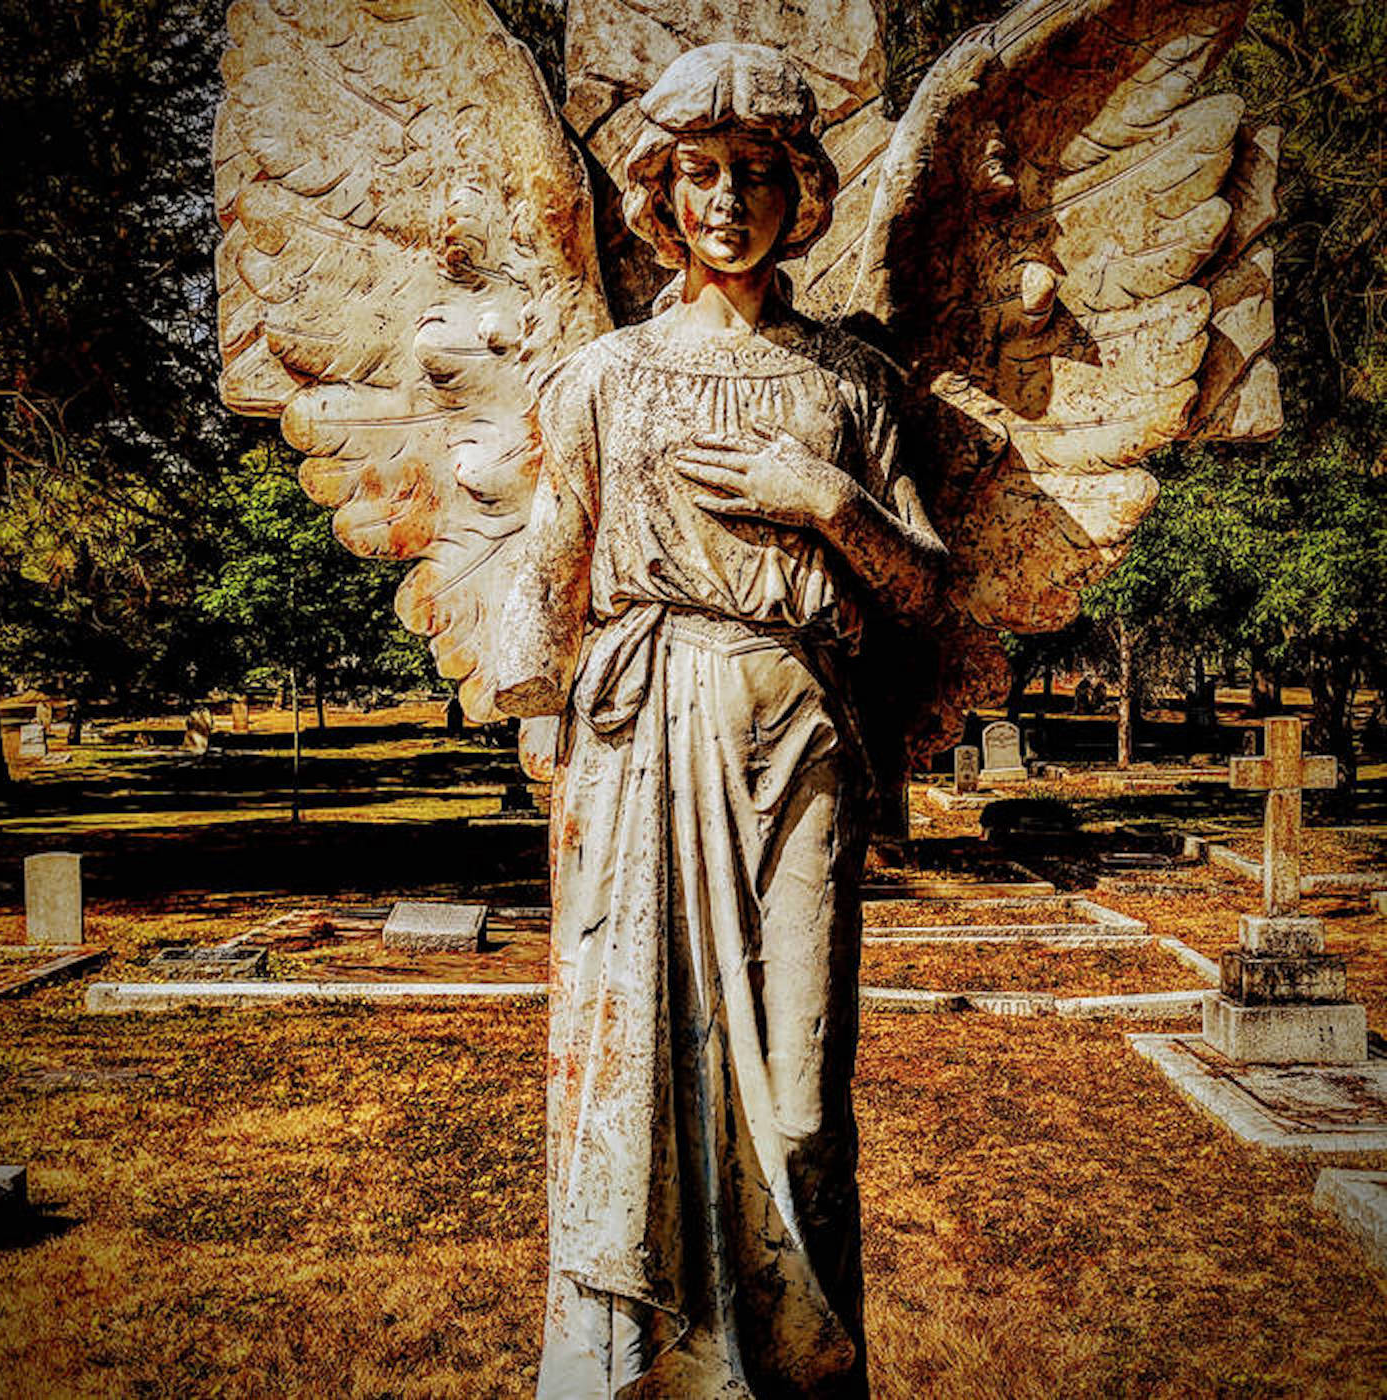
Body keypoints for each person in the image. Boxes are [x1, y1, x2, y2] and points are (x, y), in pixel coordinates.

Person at [495, 42, 946, 1398]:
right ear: (661, 191)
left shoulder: (851, 383)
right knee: (636, 1085)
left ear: (801, 191)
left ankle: (798, 1373)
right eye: (701, 172)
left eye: (758, 171)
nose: (728, 200)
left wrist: (830, 502)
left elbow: (922, 589)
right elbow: (548, 572)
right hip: (638, 740)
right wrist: (550, 735)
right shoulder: (605, 377)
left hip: (796, 729)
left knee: (801, 1105)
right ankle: (640, 1372)